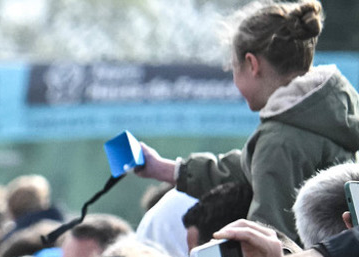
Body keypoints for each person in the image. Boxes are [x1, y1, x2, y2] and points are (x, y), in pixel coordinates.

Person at [134, 0, 359, 241]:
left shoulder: (279, 141)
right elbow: (248, 168)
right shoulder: (328, 117)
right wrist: (169, 170)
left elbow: (271, 241)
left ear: (252, 64)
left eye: (233, 67)